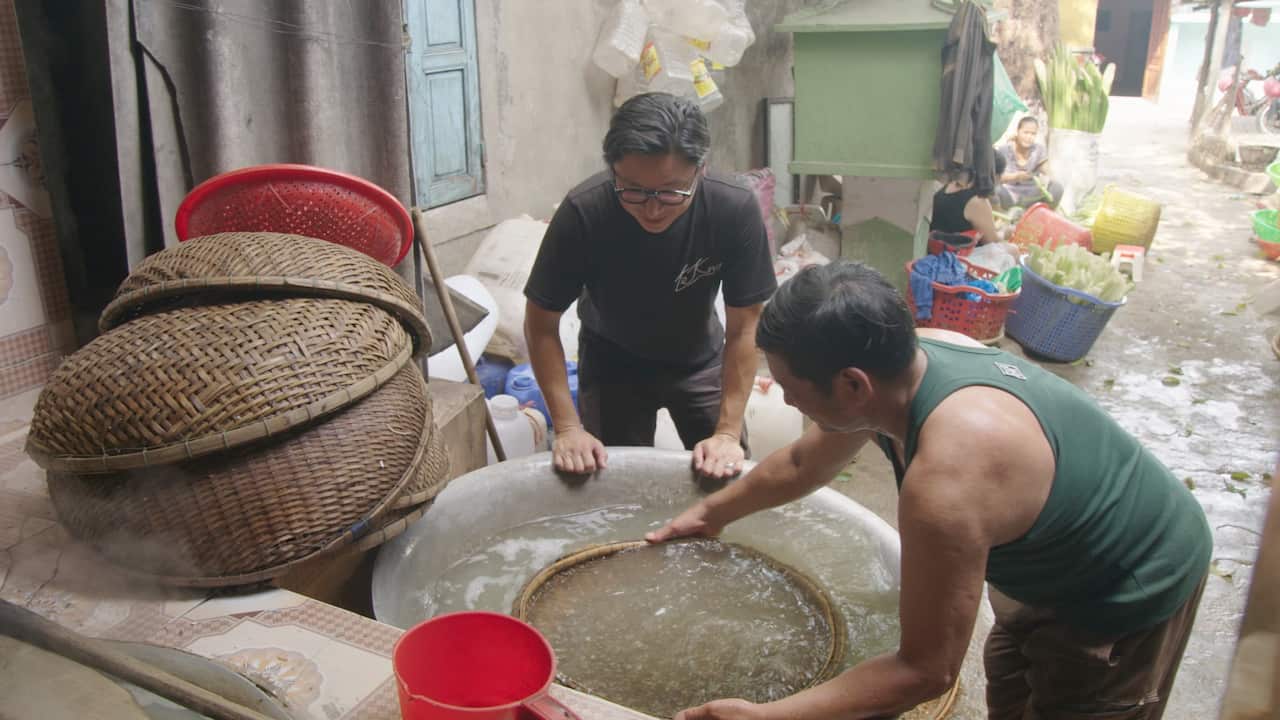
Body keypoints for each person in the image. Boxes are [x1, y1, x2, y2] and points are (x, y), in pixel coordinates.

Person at [647, 261, 1211, 720]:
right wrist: (711, 514)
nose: (787, 403)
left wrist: (769, 715)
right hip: (1053, 554)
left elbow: (926, 671)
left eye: (791, 389)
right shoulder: (915, 355)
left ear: (851, 385)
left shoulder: (945, 485)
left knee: (1081, 697)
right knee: (1015, 683)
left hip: (1130, 585)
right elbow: (800, 462)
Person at [523, 92, 777, 480]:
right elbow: (541, 324)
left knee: (725, 477)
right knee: (611, 484)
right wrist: (569, 427)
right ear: (612, 171)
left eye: (672, 192)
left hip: (700, 358)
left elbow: (745, 327)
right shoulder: (584, 212)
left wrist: (726, 433)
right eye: (634, 191)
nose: (653, 209)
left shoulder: (732, 208)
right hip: (612, 363)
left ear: (701, 169)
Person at [929, 153, 1004, 246]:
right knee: (1012, 249)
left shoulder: (950, 184)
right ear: (994, 175)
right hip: (956, 256)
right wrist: (1005, 232)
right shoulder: (978, 200)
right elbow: (992, 243)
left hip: (936, 249)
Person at [995, 116, 1064, 210]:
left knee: (1057, 188)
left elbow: (1048, 172)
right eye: (1026, 133)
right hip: (1010, 195)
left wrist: (1046, 180)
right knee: (994, 190)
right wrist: (1016, 177)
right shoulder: (1004, 150)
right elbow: (997, 178)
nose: (1029, 137)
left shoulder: (1038, 150)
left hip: (1033, 196)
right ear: (1018, 131)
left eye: (1033, 134)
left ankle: (1043, 216)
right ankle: (1003, 219)